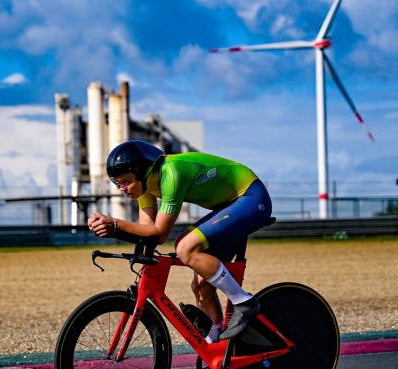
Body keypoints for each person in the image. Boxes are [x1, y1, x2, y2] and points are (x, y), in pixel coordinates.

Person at [87, 140, 273, 346]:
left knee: (185, 247)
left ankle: (244, 302)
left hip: (251, 198)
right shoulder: (145, 187)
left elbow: (159, 234)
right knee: (202, 287)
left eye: (126, 181)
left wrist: (114, 224)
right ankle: (216, 350)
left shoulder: (171, 173)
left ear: (143, 173)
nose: (122, 188)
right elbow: (147, 233)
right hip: (230, 205)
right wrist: (112, 230)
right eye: (118, 183)